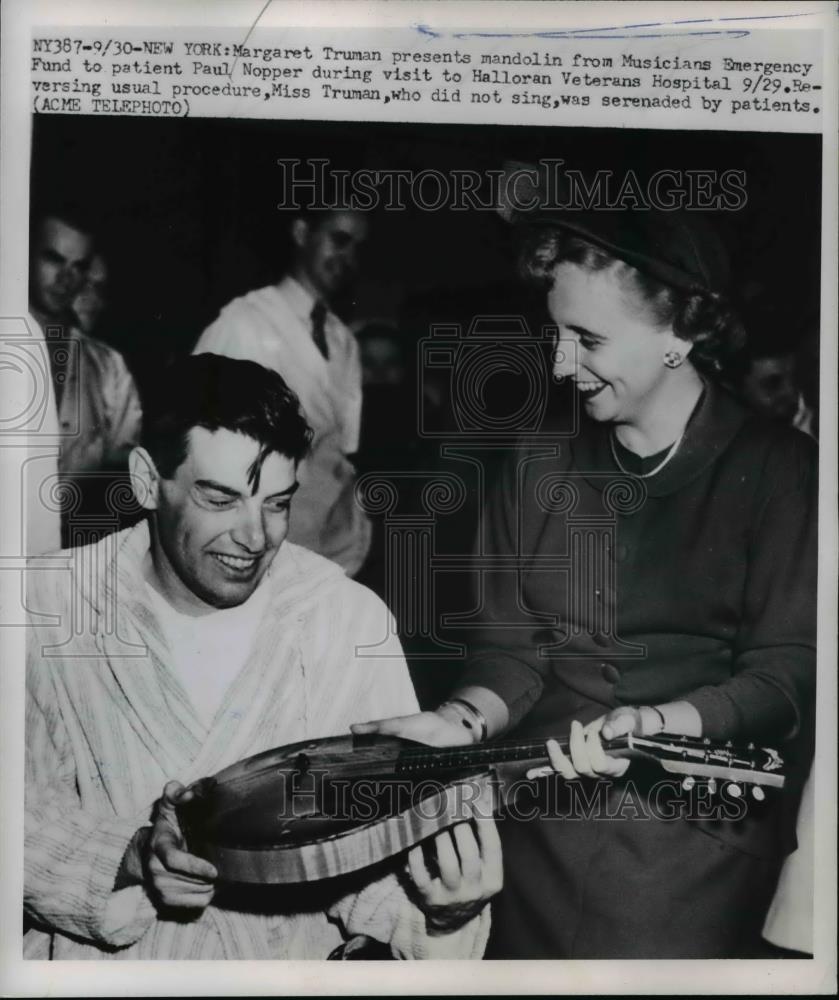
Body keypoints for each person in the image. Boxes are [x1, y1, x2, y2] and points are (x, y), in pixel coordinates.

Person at [354, 207, 817, 958]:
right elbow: (510, 647)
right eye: (556, 335)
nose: (562, 364)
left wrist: (657, 723)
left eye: (589, 340)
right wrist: (461, 720)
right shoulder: (538, 458)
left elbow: (786, 674)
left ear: (681, 333)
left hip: (693, 836)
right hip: (535, 816)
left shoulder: (779, 471)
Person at [24, 353, 501, 960]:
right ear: (147, 479)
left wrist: (444, 914)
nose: (256, 538)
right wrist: (130, 856)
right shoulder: (46, 605)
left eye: (277, 503)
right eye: (220, 499)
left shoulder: (345, 618)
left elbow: (374, 861)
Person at [193, 208, 371, 576]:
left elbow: (344, 455)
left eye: (358, 247)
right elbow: (196, 445)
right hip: (252, 550)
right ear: (302, 232)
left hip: (328, 553)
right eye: (339, 240)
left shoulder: (345, 342)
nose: (349, 258)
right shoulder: (245, 322)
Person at [29, 208, 142, 540]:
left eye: (77, 266)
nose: (65, 278)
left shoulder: (108, 367)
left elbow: (122, 474)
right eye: (53, 259)